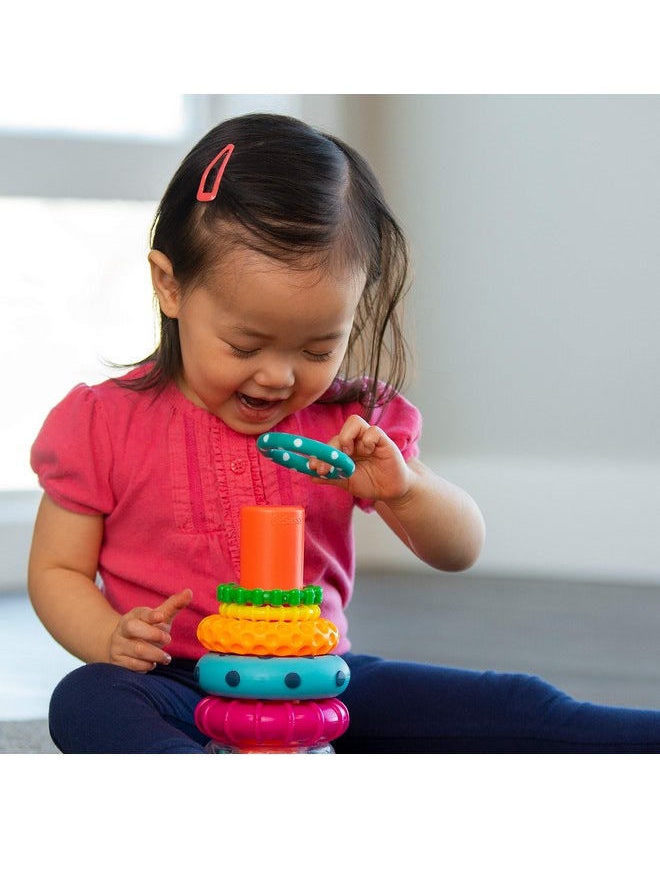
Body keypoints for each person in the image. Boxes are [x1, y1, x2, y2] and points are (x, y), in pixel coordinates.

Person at [27, 112, 660, 753]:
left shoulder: (350, 424)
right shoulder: (103, 423)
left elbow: (460, 548)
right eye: (245, 344)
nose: (278, 376)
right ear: (170, 286)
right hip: (175, 684)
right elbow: (57, 569)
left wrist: (404, 489)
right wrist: (108, 637)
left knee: (512, 702)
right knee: (87, 698)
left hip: (318, 684)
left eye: (317, 347)